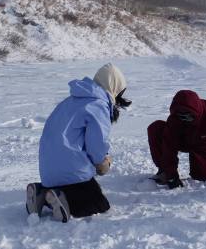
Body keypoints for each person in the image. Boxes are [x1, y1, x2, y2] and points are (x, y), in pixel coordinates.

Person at [25, 63, 132, 222]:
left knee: (72, 185)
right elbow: (97, 145)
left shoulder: (70, 101)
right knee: (98, 205)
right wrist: (103, 161)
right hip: (71, 170)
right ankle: (58, 199)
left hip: (47, 172)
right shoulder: (98, 105)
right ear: (114, 88)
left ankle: (42, 191)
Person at [147, 90, 206, 189]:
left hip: (204, 143)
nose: (184, 119)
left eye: (188, 116)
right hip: (183, 141)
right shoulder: (174, 119)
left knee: (203, 175)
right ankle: (164, 171)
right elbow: (168, 147)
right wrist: (171, 176)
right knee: (156, 128)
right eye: (180, 116)